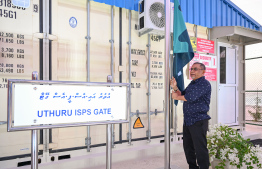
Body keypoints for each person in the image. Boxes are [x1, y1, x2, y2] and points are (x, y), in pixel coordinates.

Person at [170, 62, 211, 169]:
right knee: (188, 148)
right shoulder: (192, 83)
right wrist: (175, 88)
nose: (192, 71)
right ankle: (192, 167)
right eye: (192, 69)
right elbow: (183, 94)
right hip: (188, 121)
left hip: (198, 121)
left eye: (195, 69)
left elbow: (190, 97)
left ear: (203, 71)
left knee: (200, 148)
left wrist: (175, 97)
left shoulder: (204, 84)